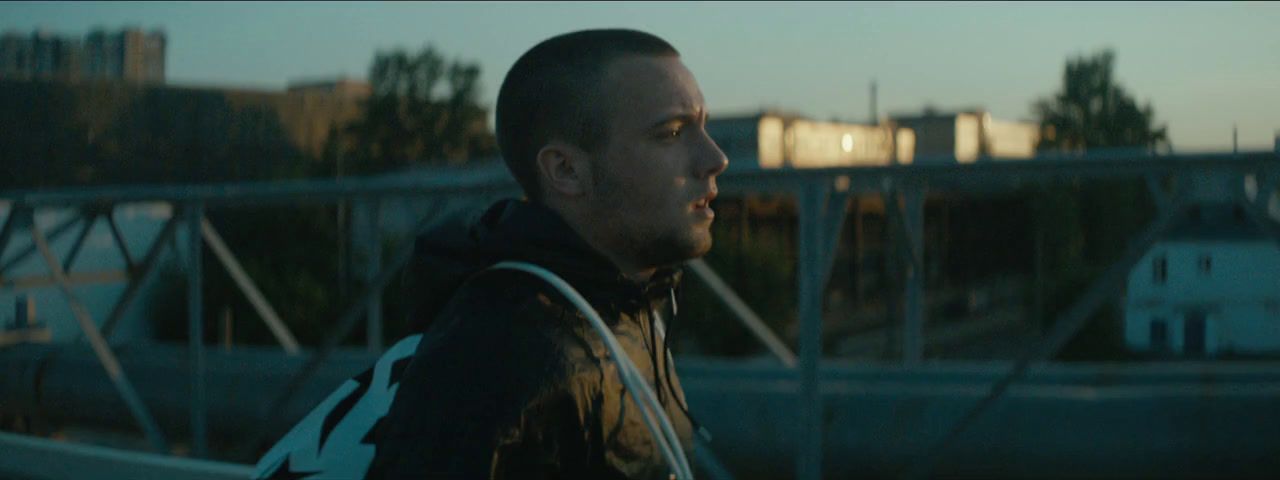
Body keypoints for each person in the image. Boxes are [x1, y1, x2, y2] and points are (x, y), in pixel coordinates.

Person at [367, 29, 729, 479]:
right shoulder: (495, 362)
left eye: (703, 125)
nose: (715, 158)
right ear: (566, 170)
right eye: (672, 133)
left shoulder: (628, 299)